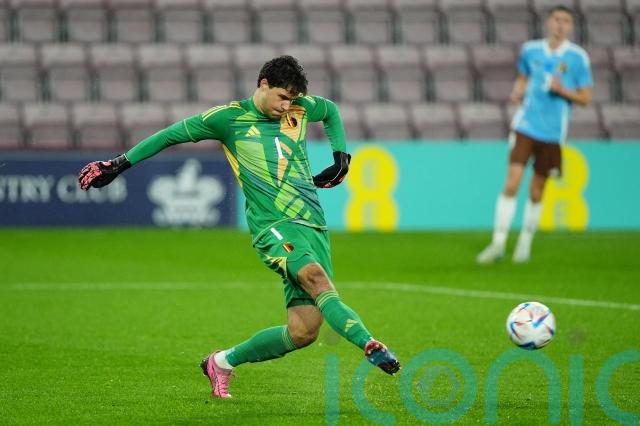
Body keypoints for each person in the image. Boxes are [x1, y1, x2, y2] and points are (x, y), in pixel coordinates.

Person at [78, 56, 400, 398]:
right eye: (281, 97)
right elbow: (169, 136)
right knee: (316, 279)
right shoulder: (227, 119)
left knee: (303, 332)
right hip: (272, 226)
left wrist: (341, 157)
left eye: (291, 99)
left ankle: (222, 362)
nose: (286, 106)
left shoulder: (300, 107)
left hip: (313, 226)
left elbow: (331, 111)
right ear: (263, 84)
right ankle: (369, 344)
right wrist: (118, 164)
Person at [477, 5, 592, 264]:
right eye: (557, 19)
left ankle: (525, 243)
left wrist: (563, 91)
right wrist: (517, 90)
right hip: (525, 126)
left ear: (571, 26)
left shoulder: (578, 58)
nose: (560, 24)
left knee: (537, 191)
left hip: (553, 134)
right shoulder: (531, 50)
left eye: (565, 21)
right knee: (512, 183)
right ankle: (498, 242)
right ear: (549, 22)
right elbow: (523, 76)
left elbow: (586, 98)